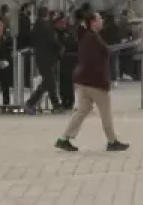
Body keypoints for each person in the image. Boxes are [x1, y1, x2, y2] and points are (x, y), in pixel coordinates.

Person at [55, 11, 128, 152]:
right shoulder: (92, 38)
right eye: (99, 19)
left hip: (83, 80)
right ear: (93, 22)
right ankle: (112, 141)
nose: (102, 21)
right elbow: (94, 60)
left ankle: (64, 138)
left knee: (83, 110)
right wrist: (103, 81)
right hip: (95, 82)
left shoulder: (86, 36)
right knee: (105, 112)